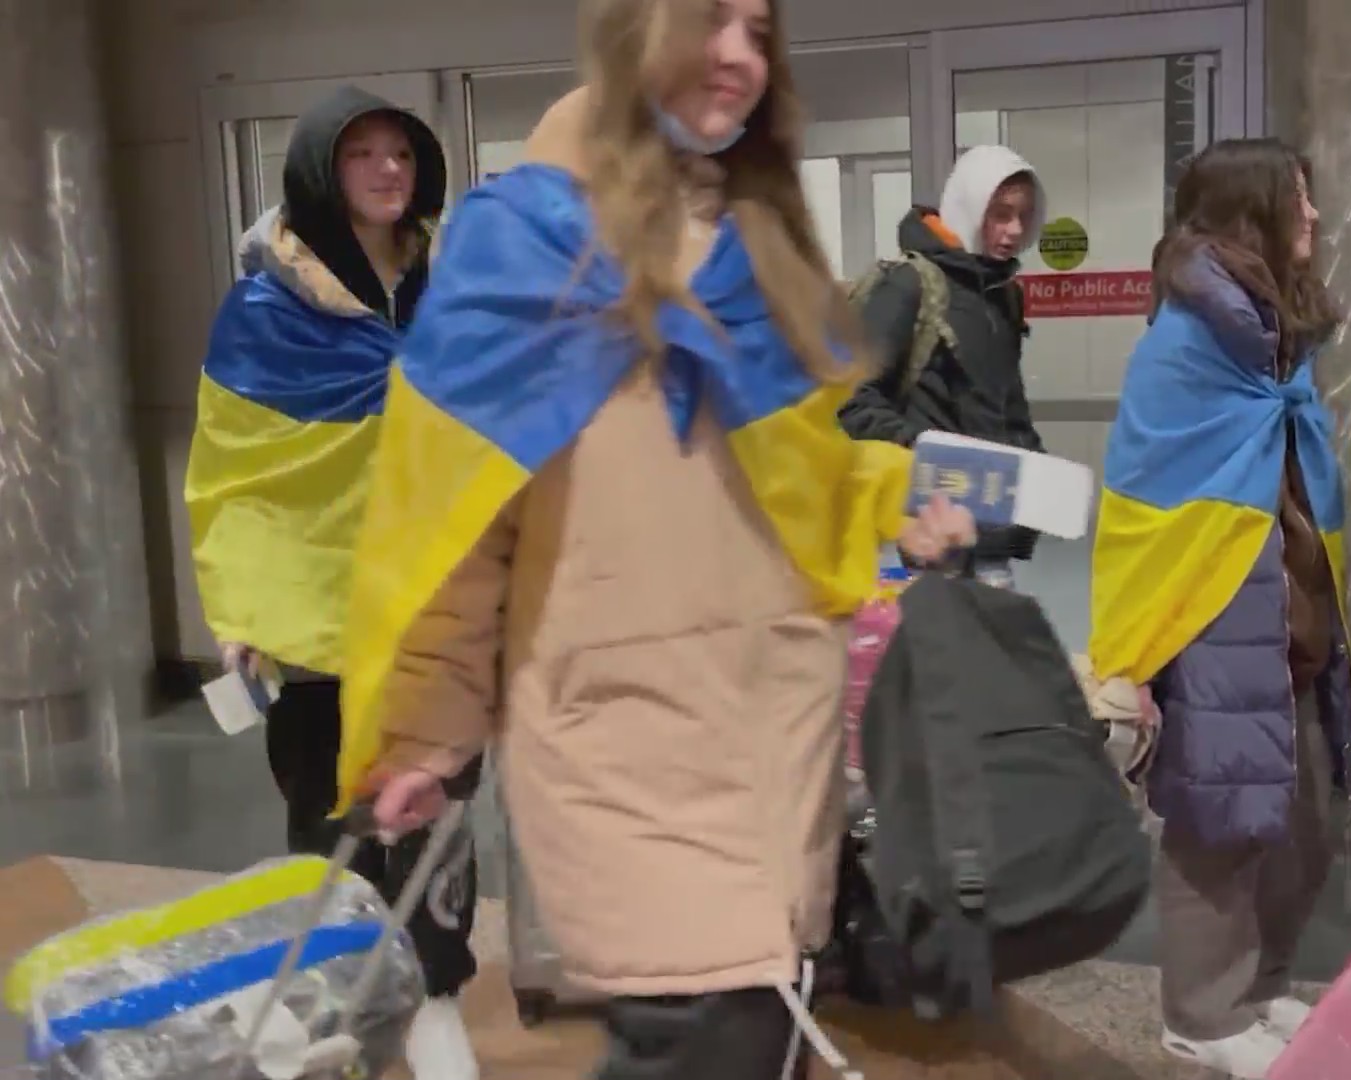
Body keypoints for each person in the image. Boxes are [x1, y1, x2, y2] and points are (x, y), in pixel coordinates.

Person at [338, 0, 975, 1075]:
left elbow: (806, 474)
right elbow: (459, 530)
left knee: (760, 1020)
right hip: (620, 740)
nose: (738, 54)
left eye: (759, 29)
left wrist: (897, 498)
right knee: (707, 1033)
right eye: (709, 19)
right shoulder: (522, 248)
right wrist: (425, 738)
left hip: (777, 729)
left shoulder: (759, 244)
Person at [182, 85, 480, 1080]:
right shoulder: (268, 309)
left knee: (438, 800)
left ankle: (436, 992)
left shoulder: (452, 283)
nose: (389, 170)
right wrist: (245, 605)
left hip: (439, 596)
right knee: (328, 810)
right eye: (365, 155)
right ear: (321, 171)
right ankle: (333, 1001)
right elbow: (240, 473)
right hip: (318, 609)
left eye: (402, 153)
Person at [1085, 138, 1351, 1078]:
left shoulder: (1274, 337)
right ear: (1253, 211)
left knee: (1298, 818)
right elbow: (1149, 487)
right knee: (1221, 817)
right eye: (1298, 199)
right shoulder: (1194, 335)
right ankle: (1199, 1014)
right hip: (1217, 600)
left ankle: (1259, 987)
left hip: (1283, 602)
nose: (1314, 218)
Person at [838, 145, 1046, 586]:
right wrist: (925, 456)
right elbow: (852, 400)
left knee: (990, 638)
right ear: (969, 205)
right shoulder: (910, 284)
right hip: (929, 526)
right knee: (946, 642)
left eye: (1024, 216)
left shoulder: (1002, 293)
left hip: (989, 526)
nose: (1013, 230)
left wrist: (1038, 472)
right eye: (1000, 213)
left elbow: (1006, 403)